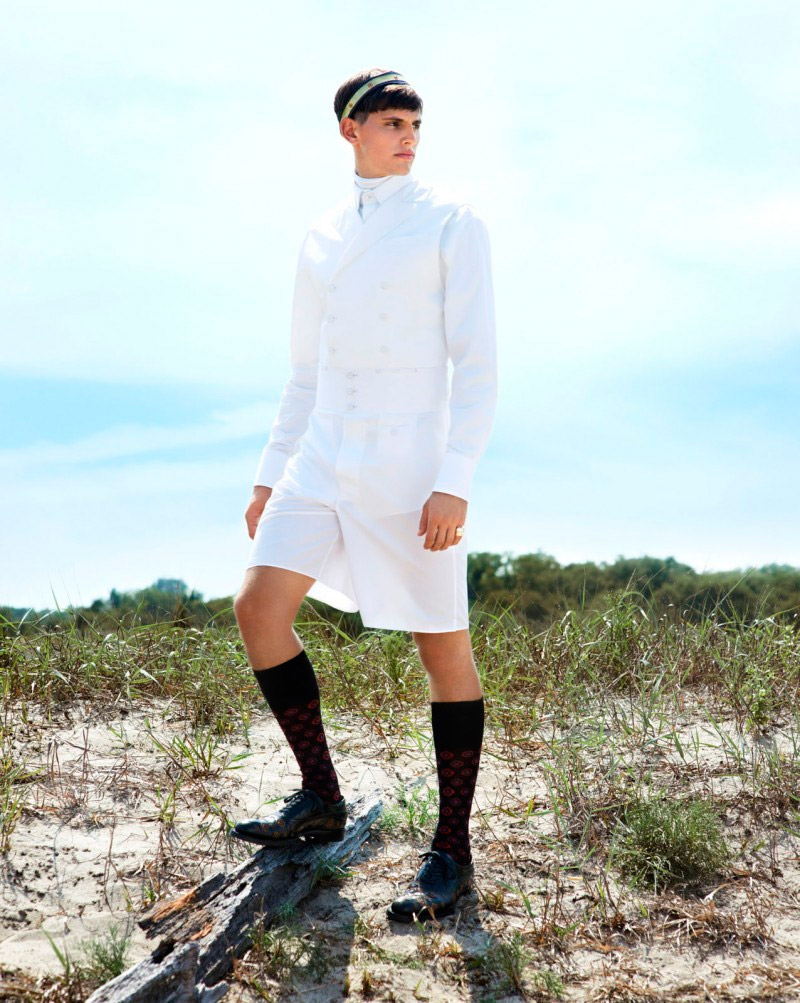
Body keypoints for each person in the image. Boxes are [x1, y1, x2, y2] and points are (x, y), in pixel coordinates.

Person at [229, 67, 497, 924]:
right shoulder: (320, 234)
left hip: (412, 463)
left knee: (442, 649)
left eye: (415, 123)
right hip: (322, 454)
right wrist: (271, 471)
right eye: (391, 122)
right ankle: (321, 795)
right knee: (258, 607)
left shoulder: (452, 218)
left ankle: (450, 850)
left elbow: (477, 362)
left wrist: (454, 479)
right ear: (350, 130)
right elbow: (303, 371)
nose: (408, 135)